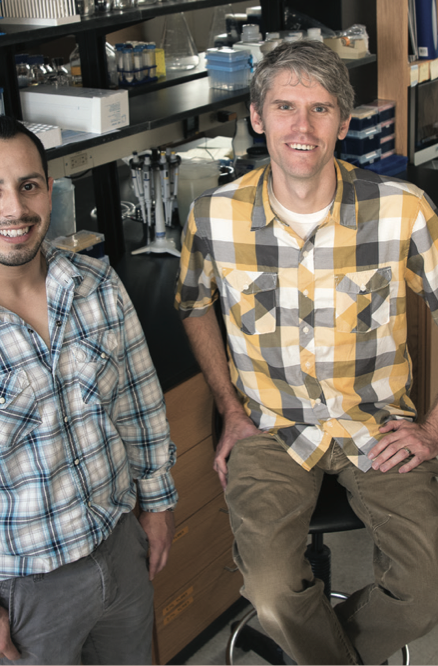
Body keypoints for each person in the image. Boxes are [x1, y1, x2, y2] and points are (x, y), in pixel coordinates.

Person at [175, 40, 438, 665]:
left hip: (379, 425)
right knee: (269, 591)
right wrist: (228, 409)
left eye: (320, 109)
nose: (302, 126)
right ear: (257, 115)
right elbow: (191, 305)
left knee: (427, 588)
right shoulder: (212, 216)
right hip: (268, 428)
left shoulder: (404, 210)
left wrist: (432, 428)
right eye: (285, 106)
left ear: (344, 123)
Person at [0, 115, 177, 666]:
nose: (14, 209)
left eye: (28, 186)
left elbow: (139, 406)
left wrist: (159, 504)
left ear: (49, 192)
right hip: (27, 592)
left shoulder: (98, 285)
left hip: (121, 545)